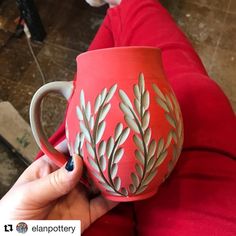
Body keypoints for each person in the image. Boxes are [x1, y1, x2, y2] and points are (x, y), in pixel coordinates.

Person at [0, 0, 236, 235]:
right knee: (199, 94)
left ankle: (116, 13)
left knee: (85, 110)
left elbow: (21, 228)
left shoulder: (32, 224)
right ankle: (125, 6)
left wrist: (16, 230)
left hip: (78, 207)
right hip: (169, 202)